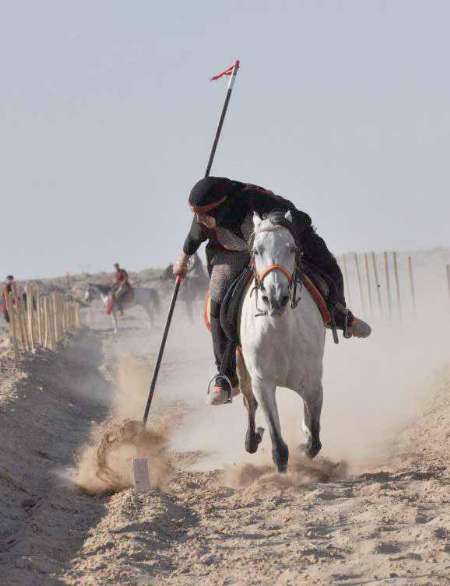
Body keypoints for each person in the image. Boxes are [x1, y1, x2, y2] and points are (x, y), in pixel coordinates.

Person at [173, 177, 371, 405]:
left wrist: (282, 235)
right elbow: (192, 240)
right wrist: (183, 261)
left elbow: (301, 217)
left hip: (274, 246)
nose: (199, 219)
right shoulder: (204, 215)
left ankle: (340, 315)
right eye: (196, 214)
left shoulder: (256, 199)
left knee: (327, 264)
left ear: (222, 204)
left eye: (203, 213)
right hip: (230, 254)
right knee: (217, 295)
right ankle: (225, 377)